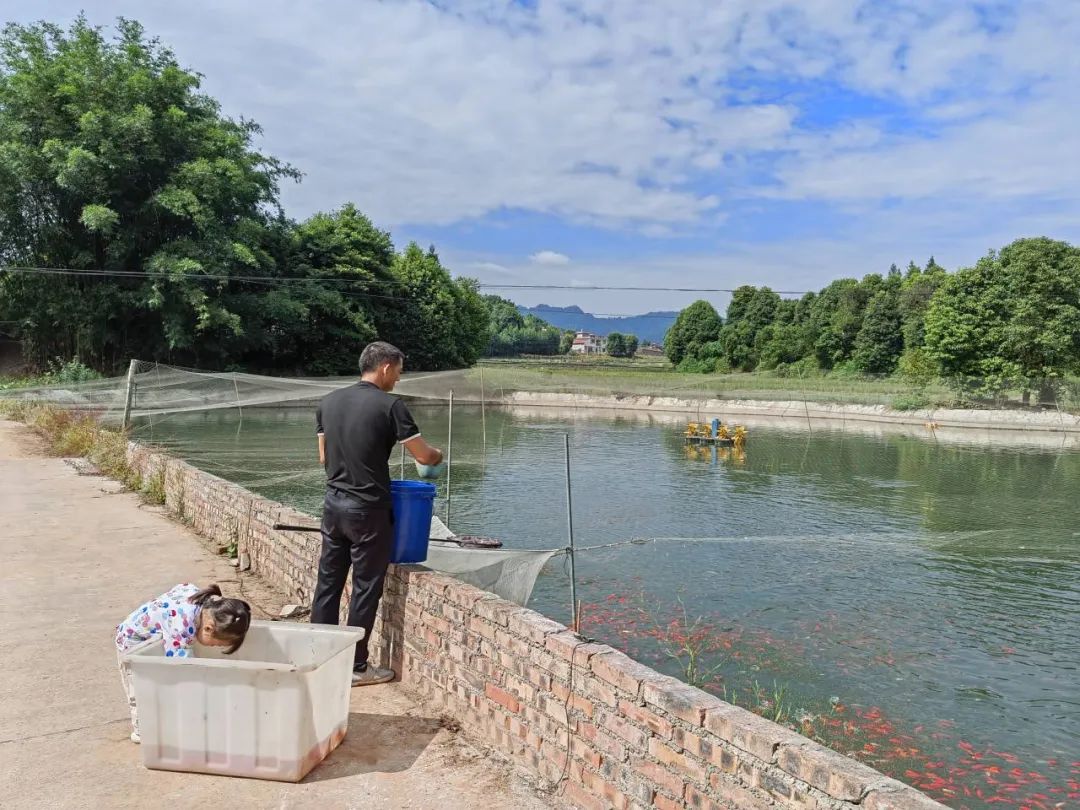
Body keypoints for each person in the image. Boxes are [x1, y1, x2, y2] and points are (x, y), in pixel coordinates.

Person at [312, 341, 443, 686]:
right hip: (368, 510)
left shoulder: (328, 403)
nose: (398, 379)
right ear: (385, 367)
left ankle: (317, 655)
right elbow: (424, 455)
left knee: (328, 582)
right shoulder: (390, 406)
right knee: (366, 587)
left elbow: (323, 457)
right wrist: (436, 456)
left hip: (333, 506)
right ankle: (356, 667)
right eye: (398, 371)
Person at [114, 583, 252, 743]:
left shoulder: (201, 599)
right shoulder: (181, 629)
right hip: (131, 643)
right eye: (216, 644)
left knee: (160, 682)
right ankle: (142, 731)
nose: (214, 647)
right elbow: (183, 670)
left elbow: (181, 587)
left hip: (153, 634)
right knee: (139, 689)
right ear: (207, 628)